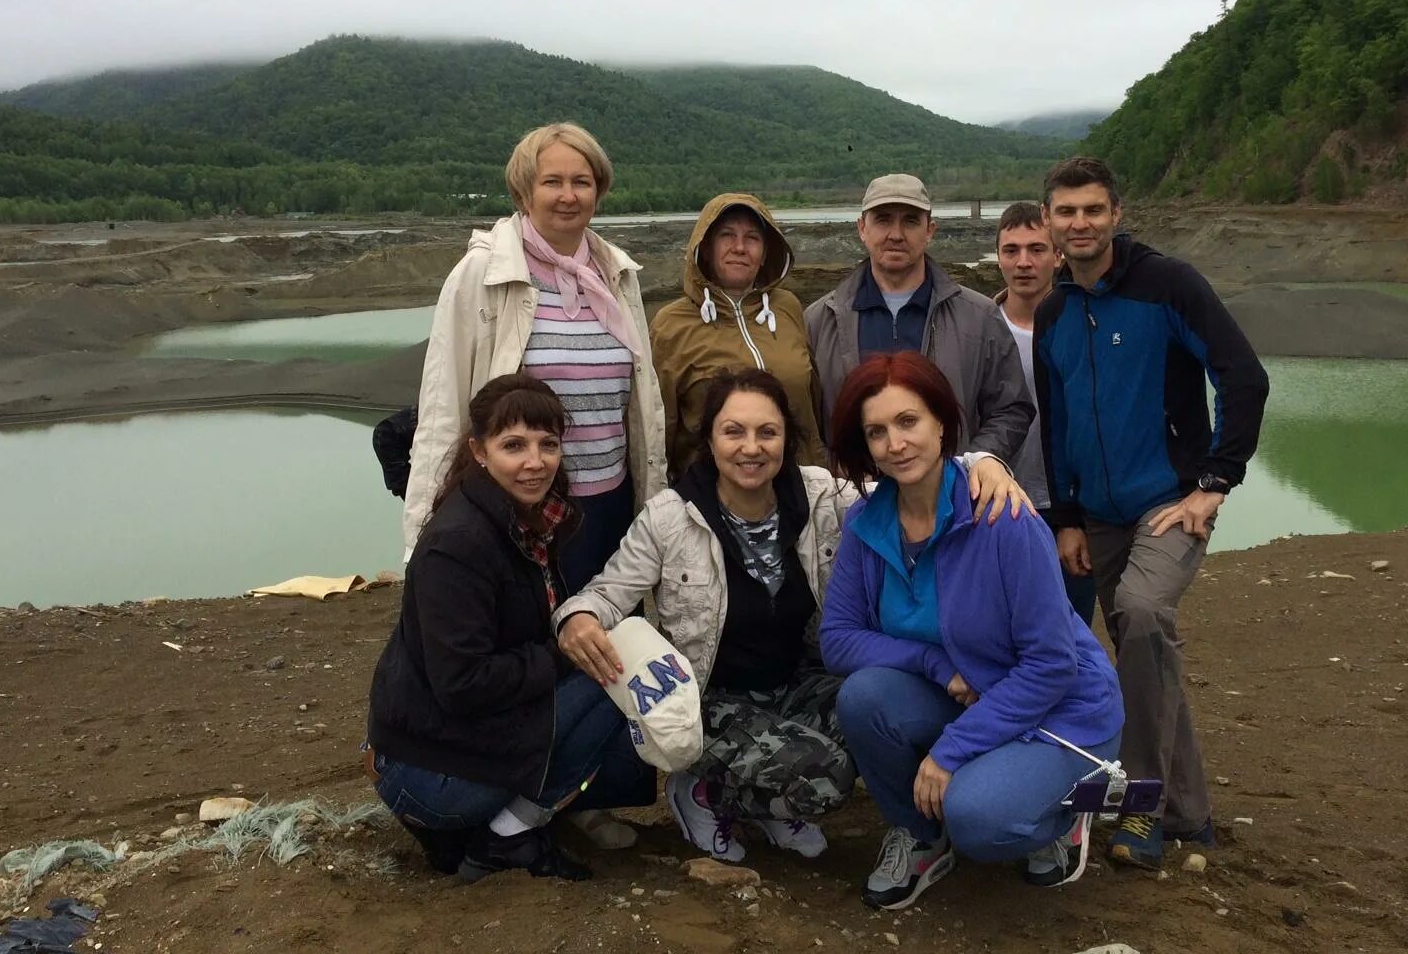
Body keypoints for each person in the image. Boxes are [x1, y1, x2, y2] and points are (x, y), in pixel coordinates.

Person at [554, 368, 1034, 864]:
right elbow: (606, 594)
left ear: (787, 437)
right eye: (733, 431)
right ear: (710, 438)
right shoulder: (671, 517)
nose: (751, 447)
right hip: (709, 699)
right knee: (827, 778)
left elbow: (908, 473)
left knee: (889, 723)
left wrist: (984, 462)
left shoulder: (822, 497)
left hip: (800, 682)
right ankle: (702, 793)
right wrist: (579, 618)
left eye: (768, 432)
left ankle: (768, 801)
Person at [820, 353, 1124, 910]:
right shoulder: (867, 524)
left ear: (941, 422)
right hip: (967, 691)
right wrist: (937, 665)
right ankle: (919, 836)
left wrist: (951, 751)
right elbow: (838, 638)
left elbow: (1053, 665)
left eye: (908, 421)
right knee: (864, 698)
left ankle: (1064, 817)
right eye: (877, 432)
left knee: (978, 819)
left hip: (1059, 710)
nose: (896, 443)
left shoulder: (1004, 518)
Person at [1033, 155, 1270, 870]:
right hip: (1096, 517)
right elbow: (1057, 420)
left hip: (1167, 505)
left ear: (1116, 214)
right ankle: (1188, 814)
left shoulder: (1168, 285)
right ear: (1048, 221)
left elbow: (1243, 376)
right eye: (1066, 211)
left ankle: (1140, 803)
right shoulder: (1052, 311)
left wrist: (1215, 481)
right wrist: (1066, 517)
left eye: (1092, 210)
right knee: (1145, 656)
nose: (1080, 223)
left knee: (1139, 616)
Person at [367, 373, 648, 882]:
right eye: (513, 445)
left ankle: (491, 828)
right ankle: (504, 836)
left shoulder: (529, 522)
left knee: (609, 659)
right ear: (478, 450)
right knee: (620, 675)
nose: (534, 462)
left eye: (548, 444)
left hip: (441, 745)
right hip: (429, 773)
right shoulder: (459, 546)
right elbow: (462, 683)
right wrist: (563, 651)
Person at [403, 122, 666, 601]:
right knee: (530, 650)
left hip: (611, 506)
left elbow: (640, 407)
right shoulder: (482, 275)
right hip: (520, 505)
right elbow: (443, 410)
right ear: (524, 192)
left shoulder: (618, 276)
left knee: (609, 649)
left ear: (598, 192)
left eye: (581, 182)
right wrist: (423, 537)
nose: (568, 196)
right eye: (552, 182)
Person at [804, 173, 1032, 464]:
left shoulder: (979, 316)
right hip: (852, 502)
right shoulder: (819, 320)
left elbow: (1011, 409)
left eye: (911, 221)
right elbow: (805, 421)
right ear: (862, 228)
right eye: (883, 219)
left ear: (930, 230)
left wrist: (967, 466)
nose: (896, 234)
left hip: (948, 500)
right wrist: (837, 473)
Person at [650, 193, 824, 481]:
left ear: (766, 251)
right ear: (704, 247)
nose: (740, 248)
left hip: (799, 486)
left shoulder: (788, 307)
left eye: (752, 238)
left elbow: (812, 401)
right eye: (726, 236)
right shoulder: (670, 325)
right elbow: (660, 426)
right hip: (712, 495)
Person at [992, 202, 1097, 627]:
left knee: (1072, 632)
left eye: (1037, 249)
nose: (1023, 263)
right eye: (1011, 250)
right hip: (996, 508)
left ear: (1058, 255)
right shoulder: (978, 328)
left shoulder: (1087, 324)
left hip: (1074, 509)